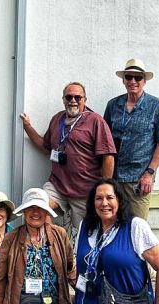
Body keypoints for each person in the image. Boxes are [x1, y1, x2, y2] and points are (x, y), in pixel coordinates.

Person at [20, 83, 116, 228]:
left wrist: (104, 188)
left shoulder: (95, 121)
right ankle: (48, 247)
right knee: (39, 208)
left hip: (85, 191)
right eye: (69, 97)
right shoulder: (57, 119)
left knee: (86, 233)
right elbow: (45, 147)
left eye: (78, 97)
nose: (73, 100)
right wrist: (27, 127)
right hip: (57, 185)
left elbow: (108, 156)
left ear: (85, 100)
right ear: (63, 100)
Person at [104, 58, 159, 220]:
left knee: (138, 229)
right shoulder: (113, 105)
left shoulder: (158, 106)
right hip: (114, 179)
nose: (133, 81)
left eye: (138, 78)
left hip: (139, 181)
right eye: (129, 77)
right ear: (123, 80)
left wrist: (149, 174)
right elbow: (105, 142)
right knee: (112, 226)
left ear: (144, 81)